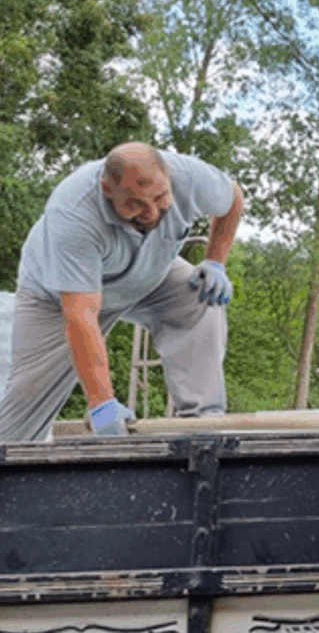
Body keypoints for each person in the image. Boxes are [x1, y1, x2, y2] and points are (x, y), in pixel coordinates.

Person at [0, 143, 245, 441]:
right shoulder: (73, 214)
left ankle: (203, 424)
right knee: (19, 419)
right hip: (55, 297)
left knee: (198, 293)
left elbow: (233, 198)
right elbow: (81, 316)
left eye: (159, 197)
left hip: (150, 273)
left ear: (167, 176)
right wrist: (101, 405)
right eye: (134, 204)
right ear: (106, 189)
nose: (151, 212)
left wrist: (214, 262)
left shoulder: (190, 176)